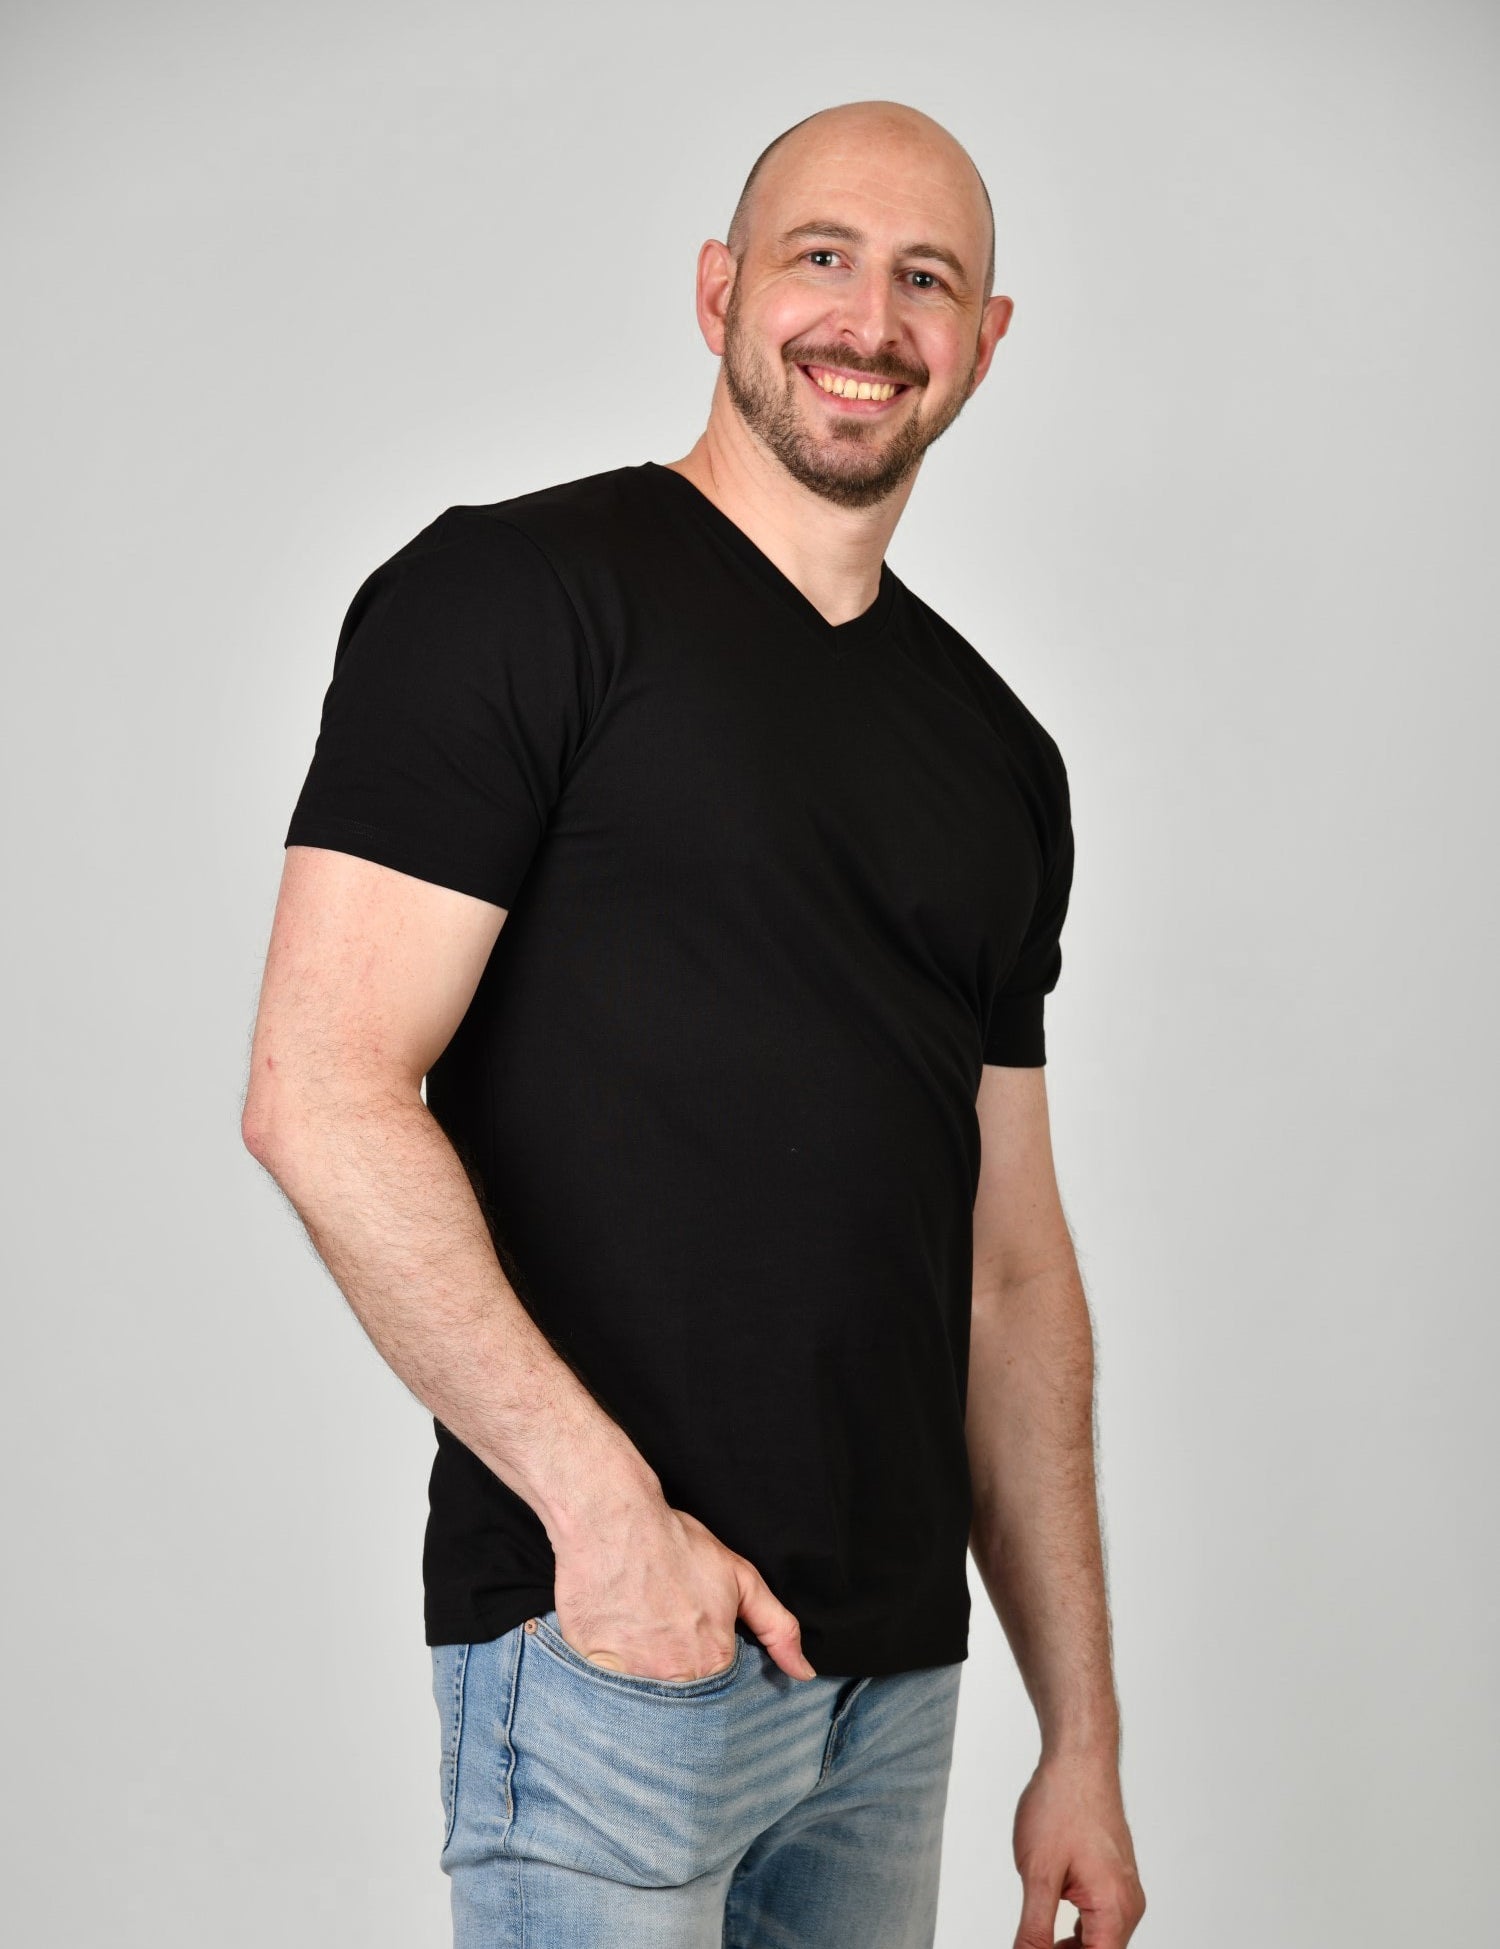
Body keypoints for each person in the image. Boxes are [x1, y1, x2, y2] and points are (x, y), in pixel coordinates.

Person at [242, 96, 1145, 1949]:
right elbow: (323, 1092)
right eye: (822, 257)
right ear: (722, 289)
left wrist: (1085, 1737)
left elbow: (1012, 1274)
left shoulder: (1001, 757)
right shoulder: (511, 598)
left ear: (984, 339)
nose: (869, 317)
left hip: (894, 1696)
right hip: (608, 1652)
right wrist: (607, 1520)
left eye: (927, 279)